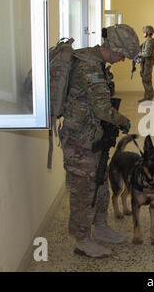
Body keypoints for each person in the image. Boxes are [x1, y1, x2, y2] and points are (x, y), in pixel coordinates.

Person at [60, 24, 139, 258]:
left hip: (92, 138)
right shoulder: (89, 67)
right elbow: (104, 109)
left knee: (101, 183)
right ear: (113, 48)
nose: (123, 60)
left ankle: (101, 227)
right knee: (83, 191)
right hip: (79, 142)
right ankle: (82, 240)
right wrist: (123, 120)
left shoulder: (96, 63)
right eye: (123, 55)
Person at [137, 25, 154, 102]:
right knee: (146, 80)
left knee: (146, 80)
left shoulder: (149, 41)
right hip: (146, 62)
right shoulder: (148, 41)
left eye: (144, 32)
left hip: (147, 63)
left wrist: (139, 54)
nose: (143, 33)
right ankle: (147, 97)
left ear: (147, 32)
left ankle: (148, 98)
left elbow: (147, 53)